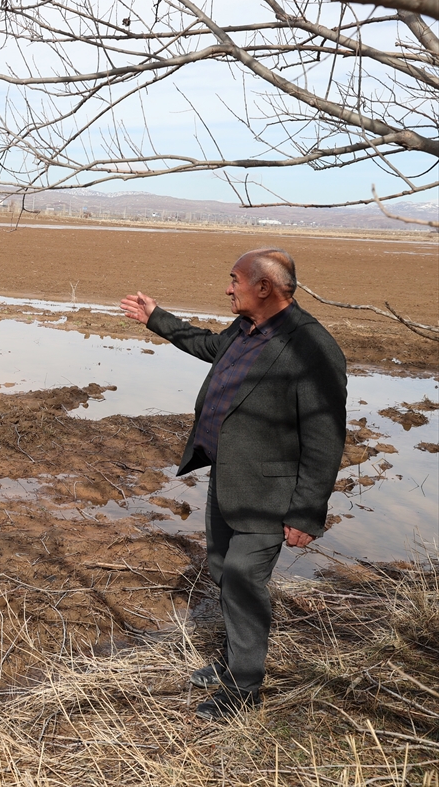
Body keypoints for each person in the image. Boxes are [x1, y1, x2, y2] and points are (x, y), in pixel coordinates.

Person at [121, 247, 347, 721]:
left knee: (243, 578)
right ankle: (232, 661)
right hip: (228, 481)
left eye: (234, 280)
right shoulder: (245, 330)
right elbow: (209, 347)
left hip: (270, 496)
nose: (228, 288)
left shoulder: (311, 346)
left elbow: (325, 437)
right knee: (224, 572)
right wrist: (156, 318)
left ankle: (244, 690)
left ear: (264, 287)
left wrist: (307, 512)